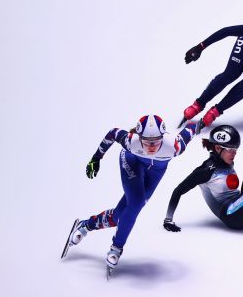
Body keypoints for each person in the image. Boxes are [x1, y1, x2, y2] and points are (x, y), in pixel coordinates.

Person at [62, 115, 200, 275]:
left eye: (156, 141)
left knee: (118, 217)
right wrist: (96, 158)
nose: (151, 146)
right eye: (146, 141)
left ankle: (86, 225)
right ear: (138, 137)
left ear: (163, 137)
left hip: (155, 172)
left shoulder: (174, 147)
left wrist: (200, 122)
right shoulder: (130, 142)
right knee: (136, 203)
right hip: (132, 161)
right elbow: (113, 133)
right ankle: (116, 248)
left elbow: (191, 127)